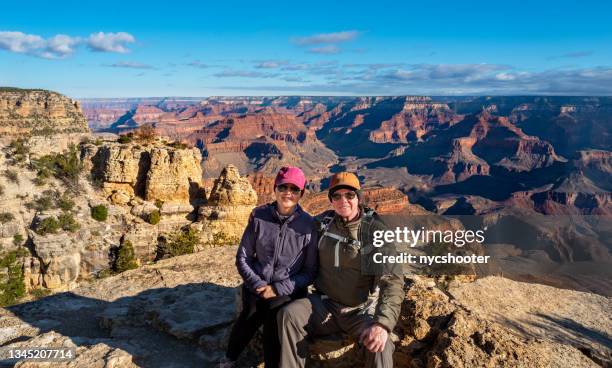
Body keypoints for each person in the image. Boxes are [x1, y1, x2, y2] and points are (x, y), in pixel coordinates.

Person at [277, 172, 404, 368]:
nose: (343, 200)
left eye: (349, 195)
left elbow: (392, 280)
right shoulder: (323, 224)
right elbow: (290, 232)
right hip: (323, 305)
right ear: (331, 200)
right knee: (289, 315)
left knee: (381, 345)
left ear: (358, 198)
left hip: (360, 311)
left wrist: (382, 324)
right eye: (336, 196)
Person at [219, 166, 318, 368]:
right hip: (258, 282)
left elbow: (309, 271)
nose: (288, 193)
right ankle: (229, 358)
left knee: (275, 318)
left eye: (294, 189)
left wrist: (278, 288)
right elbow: (243, 257)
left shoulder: (308, 225)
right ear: (275, 189)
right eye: (283, 187)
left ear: (302, 193)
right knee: (250, 313)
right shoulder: (259, 216)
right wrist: (257, 283)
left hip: (288, 288)